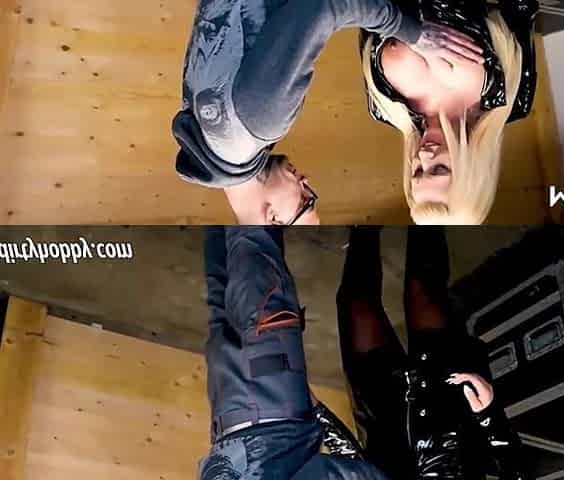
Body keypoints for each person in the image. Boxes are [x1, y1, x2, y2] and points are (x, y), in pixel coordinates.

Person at [172, 0, 485, 225]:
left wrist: (414, 34)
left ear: (274, 218)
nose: (307, 182)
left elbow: (328, 5)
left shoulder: (257, 123)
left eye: (306, 202)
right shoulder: (206, 127)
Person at [198, 226, 392, 479]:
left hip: (272, 401)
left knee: (256, 249)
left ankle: (247, 202)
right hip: (227, 419)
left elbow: (342, 473)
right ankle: (216, 210)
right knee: (221, 290)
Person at [335, 226, 528, 479]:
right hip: (450, 418)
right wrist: (491, 419)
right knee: (424, 287)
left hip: (387, 426)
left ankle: (364, 227)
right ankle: (428, 212)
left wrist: (314, 411)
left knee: (356, 304)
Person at [360, 0, 540, 224]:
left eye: (418, 171)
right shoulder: (514, 100)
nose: (423, 157)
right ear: (472, 174)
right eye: (439, 169)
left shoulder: (384, 108)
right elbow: (521, 8)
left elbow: (361, 13)